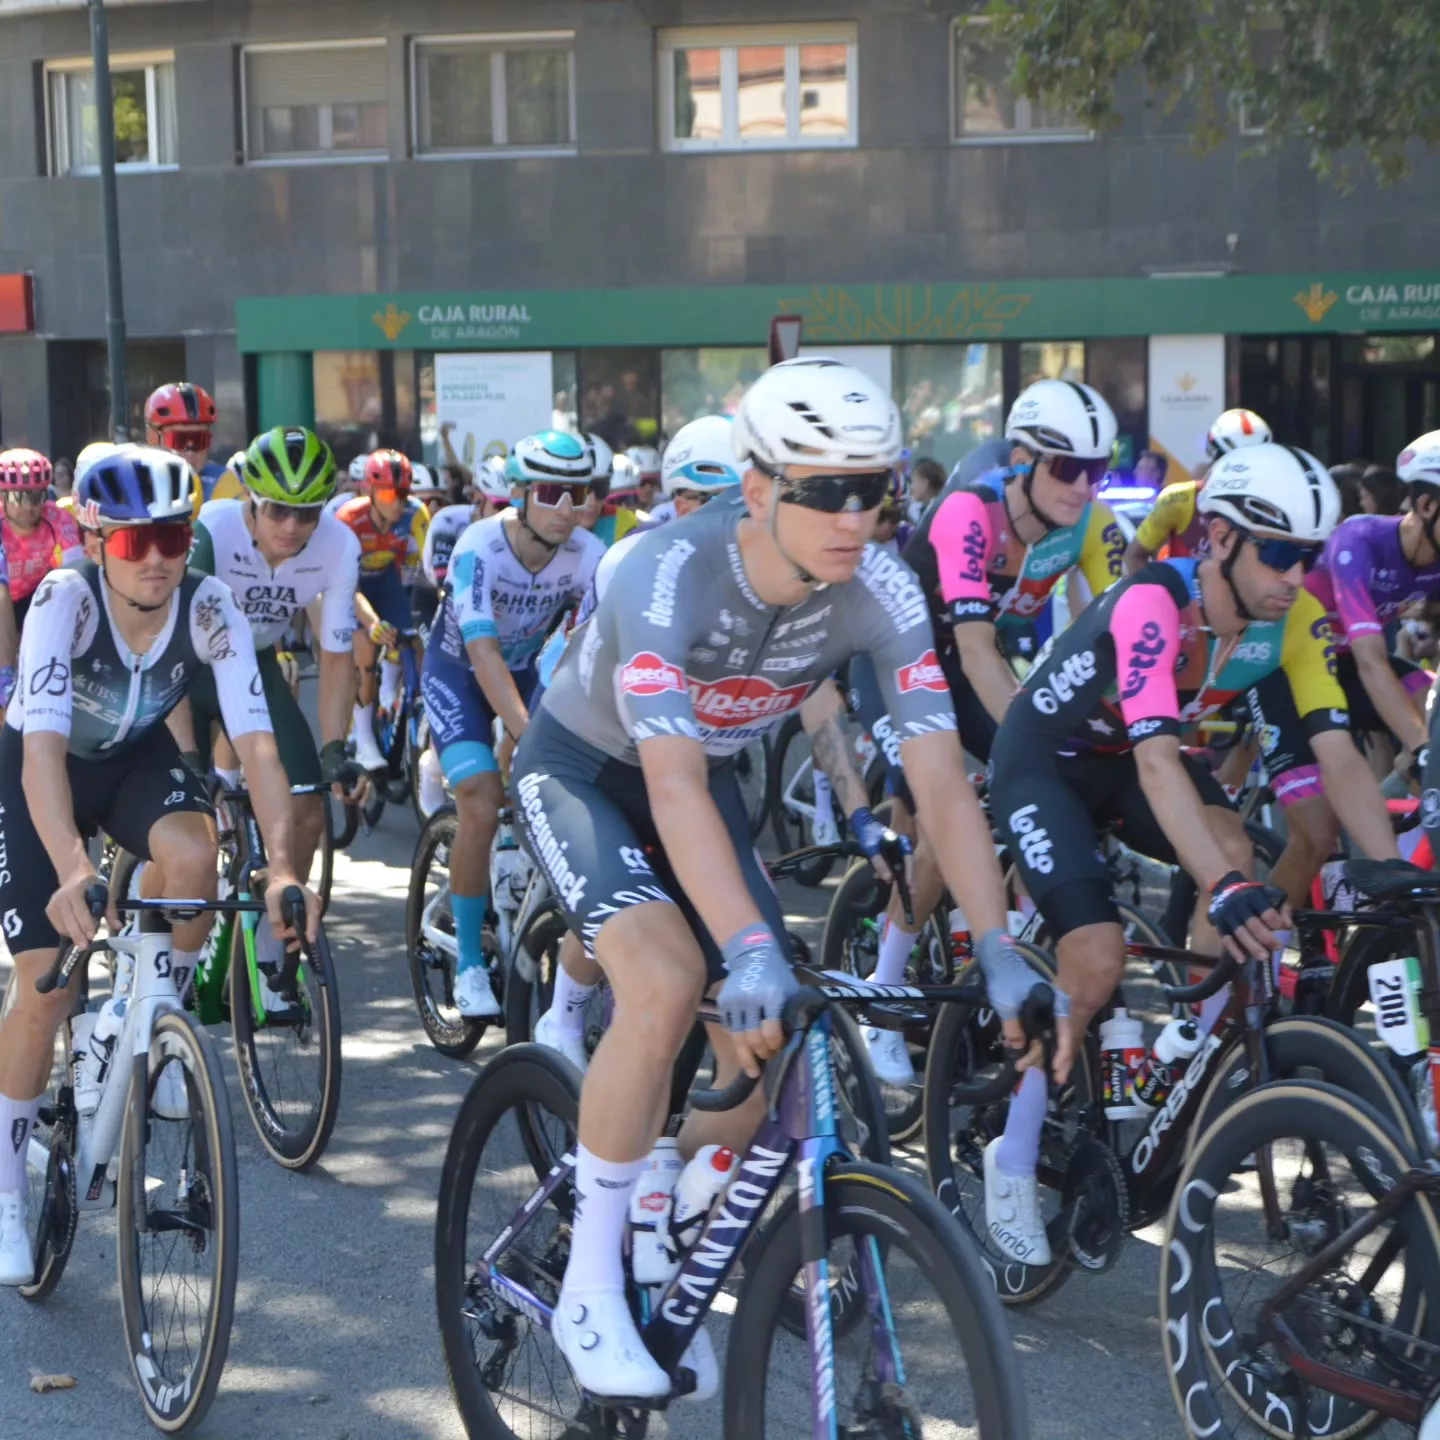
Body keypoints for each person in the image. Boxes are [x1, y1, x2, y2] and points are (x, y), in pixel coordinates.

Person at [513, 357, 1042, 1397]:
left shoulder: (879, 586)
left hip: (698, 778)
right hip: (584, 772)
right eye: (828, 490)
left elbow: (942, 781)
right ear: (757, 490)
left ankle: (667, 1217)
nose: (856, 517)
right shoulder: (664, 571)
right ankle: (588, 1282)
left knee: (770, 1039)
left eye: (874, 489)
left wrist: (997, 945)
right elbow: (668, 785)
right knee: (668, 980)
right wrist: (747, 944)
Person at [985, 442, 1401, 1266]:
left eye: (1308, 557)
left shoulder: (1288, 623)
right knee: (1097, 956)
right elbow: (1155, 761)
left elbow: (1339, 757)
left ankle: (1184, 1052)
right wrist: (1225, 886)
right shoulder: (1154, 602)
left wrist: (1390, 873)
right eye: (1277, 553)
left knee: (1236, 845)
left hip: (1131, 762)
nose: (1294, 576)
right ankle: (1014, 1153)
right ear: (1218, 537)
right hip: (1046, 763)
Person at [0, 444, 318, 1284]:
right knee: (45, 986)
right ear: (94, 539)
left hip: (132, 760)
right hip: (41, 770)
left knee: (196, 852)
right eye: (136, 541)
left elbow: (256, 743)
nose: (158, 559)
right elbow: (41, 756)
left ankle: (150, 1015)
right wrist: (72, 867)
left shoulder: (209, 604)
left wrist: (284, 867)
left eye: (173, 537)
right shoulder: (63, 601)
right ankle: (4, 1182)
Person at [849, 380, 1125, 1082]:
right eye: (1068, 467)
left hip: (968, 668)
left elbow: (1111, 626)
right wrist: (1031, 742)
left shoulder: (1090, 524)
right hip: (896, 664)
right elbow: (974, 651)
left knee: (1051, 780)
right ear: (1023, 459)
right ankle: (883, 991)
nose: (1084, 485)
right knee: (946, 820)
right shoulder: (970, 512)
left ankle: (1005, 927)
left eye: (1098, 468)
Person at [421, 431, 604, 1016]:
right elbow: (482, 655)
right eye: (550, 493)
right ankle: (469, 964)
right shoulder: (479, 546)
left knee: (559, 787)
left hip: (529, 671)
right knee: (479, 799)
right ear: (520, 495)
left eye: (579, 494)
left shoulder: (588, 555)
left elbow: (590, 649)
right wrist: (528, 735)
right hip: (459, 671)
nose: (567, 509)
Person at [1254, 431, 1440, 902]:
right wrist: (1423, 749)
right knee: (1317, 833)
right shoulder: (1360, 539)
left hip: (1347, 670)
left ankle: (1388, 852)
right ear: (1426, 506)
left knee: (1432, 696)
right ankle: (1263, 939)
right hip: (1289, 671)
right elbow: (1372, 661)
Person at [170, 427, 360, 887]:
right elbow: (171, 649)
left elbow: (336, 657)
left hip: (254, 669)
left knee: (307, 808)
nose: (291, 527)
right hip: (187, 673)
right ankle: (151, 920)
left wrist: (335, 747)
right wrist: (189, 756)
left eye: (307, 513)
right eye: (277, 509)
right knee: (182, 829)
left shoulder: (339, 546)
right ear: (252, 500)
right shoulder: (212, 531)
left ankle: (278, 924)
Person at [335, 450, 429, 771]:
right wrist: (373, 623)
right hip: (352, 585)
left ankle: (390, 693)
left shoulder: (415, 514)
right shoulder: (349, 518)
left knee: (414, 640)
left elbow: (431, 565)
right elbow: (345, 585)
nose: (397, 504)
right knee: (365, 650)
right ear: (369, 492)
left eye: (403, 494)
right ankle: (363, 739)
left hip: (387, 579)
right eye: (389, 495)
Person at [1124, 408, 1271, 572]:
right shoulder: (1178, 500)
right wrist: (1157, 589)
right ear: (1214, 458)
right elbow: (1134, 556)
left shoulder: (1272, 508)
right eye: (1234, 466)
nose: (1244, 476)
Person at [0, 448, 83, 627]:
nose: (28, 506)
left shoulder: (58, 517)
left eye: (37, 496)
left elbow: (77, 570)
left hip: (34, 595)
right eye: (18, 497)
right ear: (2, 497)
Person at [144, 382, 224, 498]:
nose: (190, 452)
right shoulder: (132, 485)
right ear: (153, 439)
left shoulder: (223, 482)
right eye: (179, 440)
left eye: (199, 440)